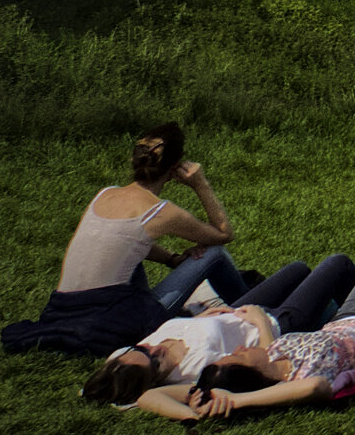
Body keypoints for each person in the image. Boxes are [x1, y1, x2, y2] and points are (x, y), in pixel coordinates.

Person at [14, 124, 248, 359]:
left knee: (128, 256)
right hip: (114, 320)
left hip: (64, 309)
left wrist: (171, 259)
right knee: (215, 252)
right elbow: (223, 234)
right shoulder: (160, 211)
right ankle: (250, 307)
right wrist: (200, 184)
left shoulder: (105, 194)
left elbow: (126, 240)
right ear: (175, 168)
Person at [81, 256, 355, 405]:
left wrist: (198, 319)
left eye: (141, 348)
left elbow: (96, 388)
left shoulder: (125, 361)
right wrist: (261, 323)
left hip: (237, 310)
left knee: (298, 269)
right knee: (337, 264)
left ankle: (327, 308)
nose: (154, 347)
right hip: (275, 325)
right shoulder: (193, 371)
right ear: (153, 379)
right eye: (154, 358)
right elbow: (258, 367)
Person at [131, 310, 355, 421]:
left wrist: (193, 412)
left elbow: (147, 396)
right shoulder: (297, 381)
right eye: (238, 356)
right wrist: (236, 401)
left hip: (348, 316)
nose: (239, 348)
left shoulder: (272, 355)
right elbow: (316, 387)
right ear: (252, 374)